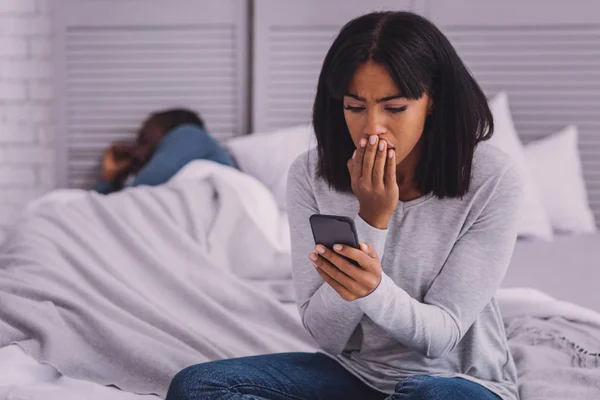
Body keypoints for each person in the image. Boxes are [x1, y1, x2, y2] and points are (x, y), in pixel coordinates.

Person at [166, 11, 523, 400]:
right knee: (196, 386)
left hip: (457, 382)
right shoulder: (310, 174)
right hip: (354, 374)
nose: (372, 128)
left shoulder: (492, 178)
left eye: (395, 107)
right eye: (355, 107)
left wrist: (372, 287)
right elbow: (328, 335)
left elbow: (440, 338)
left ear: (432, 100)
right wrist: (372, 220)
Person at [93, 108, 236, 194]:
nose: (137, 151)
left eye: (143, 139)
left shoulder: (189, 133)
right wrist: (110, 177)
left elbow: (131, 196)